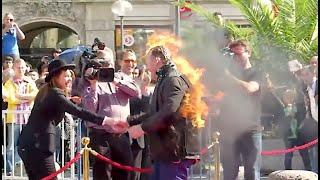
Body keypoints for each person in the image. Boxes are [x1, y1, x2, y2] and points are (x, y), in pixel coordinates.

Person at [17, 60, 127, 180]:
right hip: (37, 147)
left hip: (29, 145)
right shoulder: (55, 94)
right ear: (55, 77)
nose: (69, 79)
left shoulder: (47, 91)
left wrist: (69, 100)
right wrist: (109, 121)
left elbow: (54, 107)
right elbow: (78, 112)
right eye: (65, 76)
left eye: (70, 75)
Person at [128, 45, 196, 180]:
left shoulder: (172, 79)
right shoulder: (165, 78)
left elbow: (169, 112)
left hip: (173, 149)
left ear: (157, 60)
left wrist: (142, 128)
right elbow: (155, 111)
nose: (146, 67)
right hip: (163, 149)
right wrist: (129, 121)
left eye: (148, 61)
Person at [82, 49, 140, 180]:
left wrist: (115, 81)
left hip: (121, 135)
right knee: (103, 174)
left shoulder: (122, 78)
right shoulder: (90, 80)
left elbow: (136, 92)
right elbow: (90, 109)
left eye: (108, 62)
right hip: (101, 135)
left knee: (126, 173)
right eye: (102, 62)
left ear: (113, 62)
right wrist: (94, 85)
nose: (105, 65)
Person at [215, 40, 262, 180]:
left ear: (249, 53)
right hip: (229, 130)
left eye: (239, 54)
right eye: (233, 55)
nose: (236, 57)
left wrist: (230, 77)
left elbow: (250, 88)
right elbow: (217, 96)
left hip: (250, 129)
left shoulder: (256, 72)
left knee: (252, 172)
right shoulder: (226, 75)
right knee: (229, 172)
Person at [3, 58, 38, 176]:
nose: (21, 70)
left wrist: (21, 96)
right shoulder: (9, 83)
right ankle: (10, 169)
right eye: (19, 68)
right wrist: (26, 98)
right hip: (14, 119)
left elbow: (35, 94)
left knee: (26, 144)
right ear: (14, 69)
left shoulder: (29, 81)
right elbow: (10, 98)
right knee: (11, 146)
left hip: (27, 118)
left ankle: (22, 168)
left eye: (23, 68)